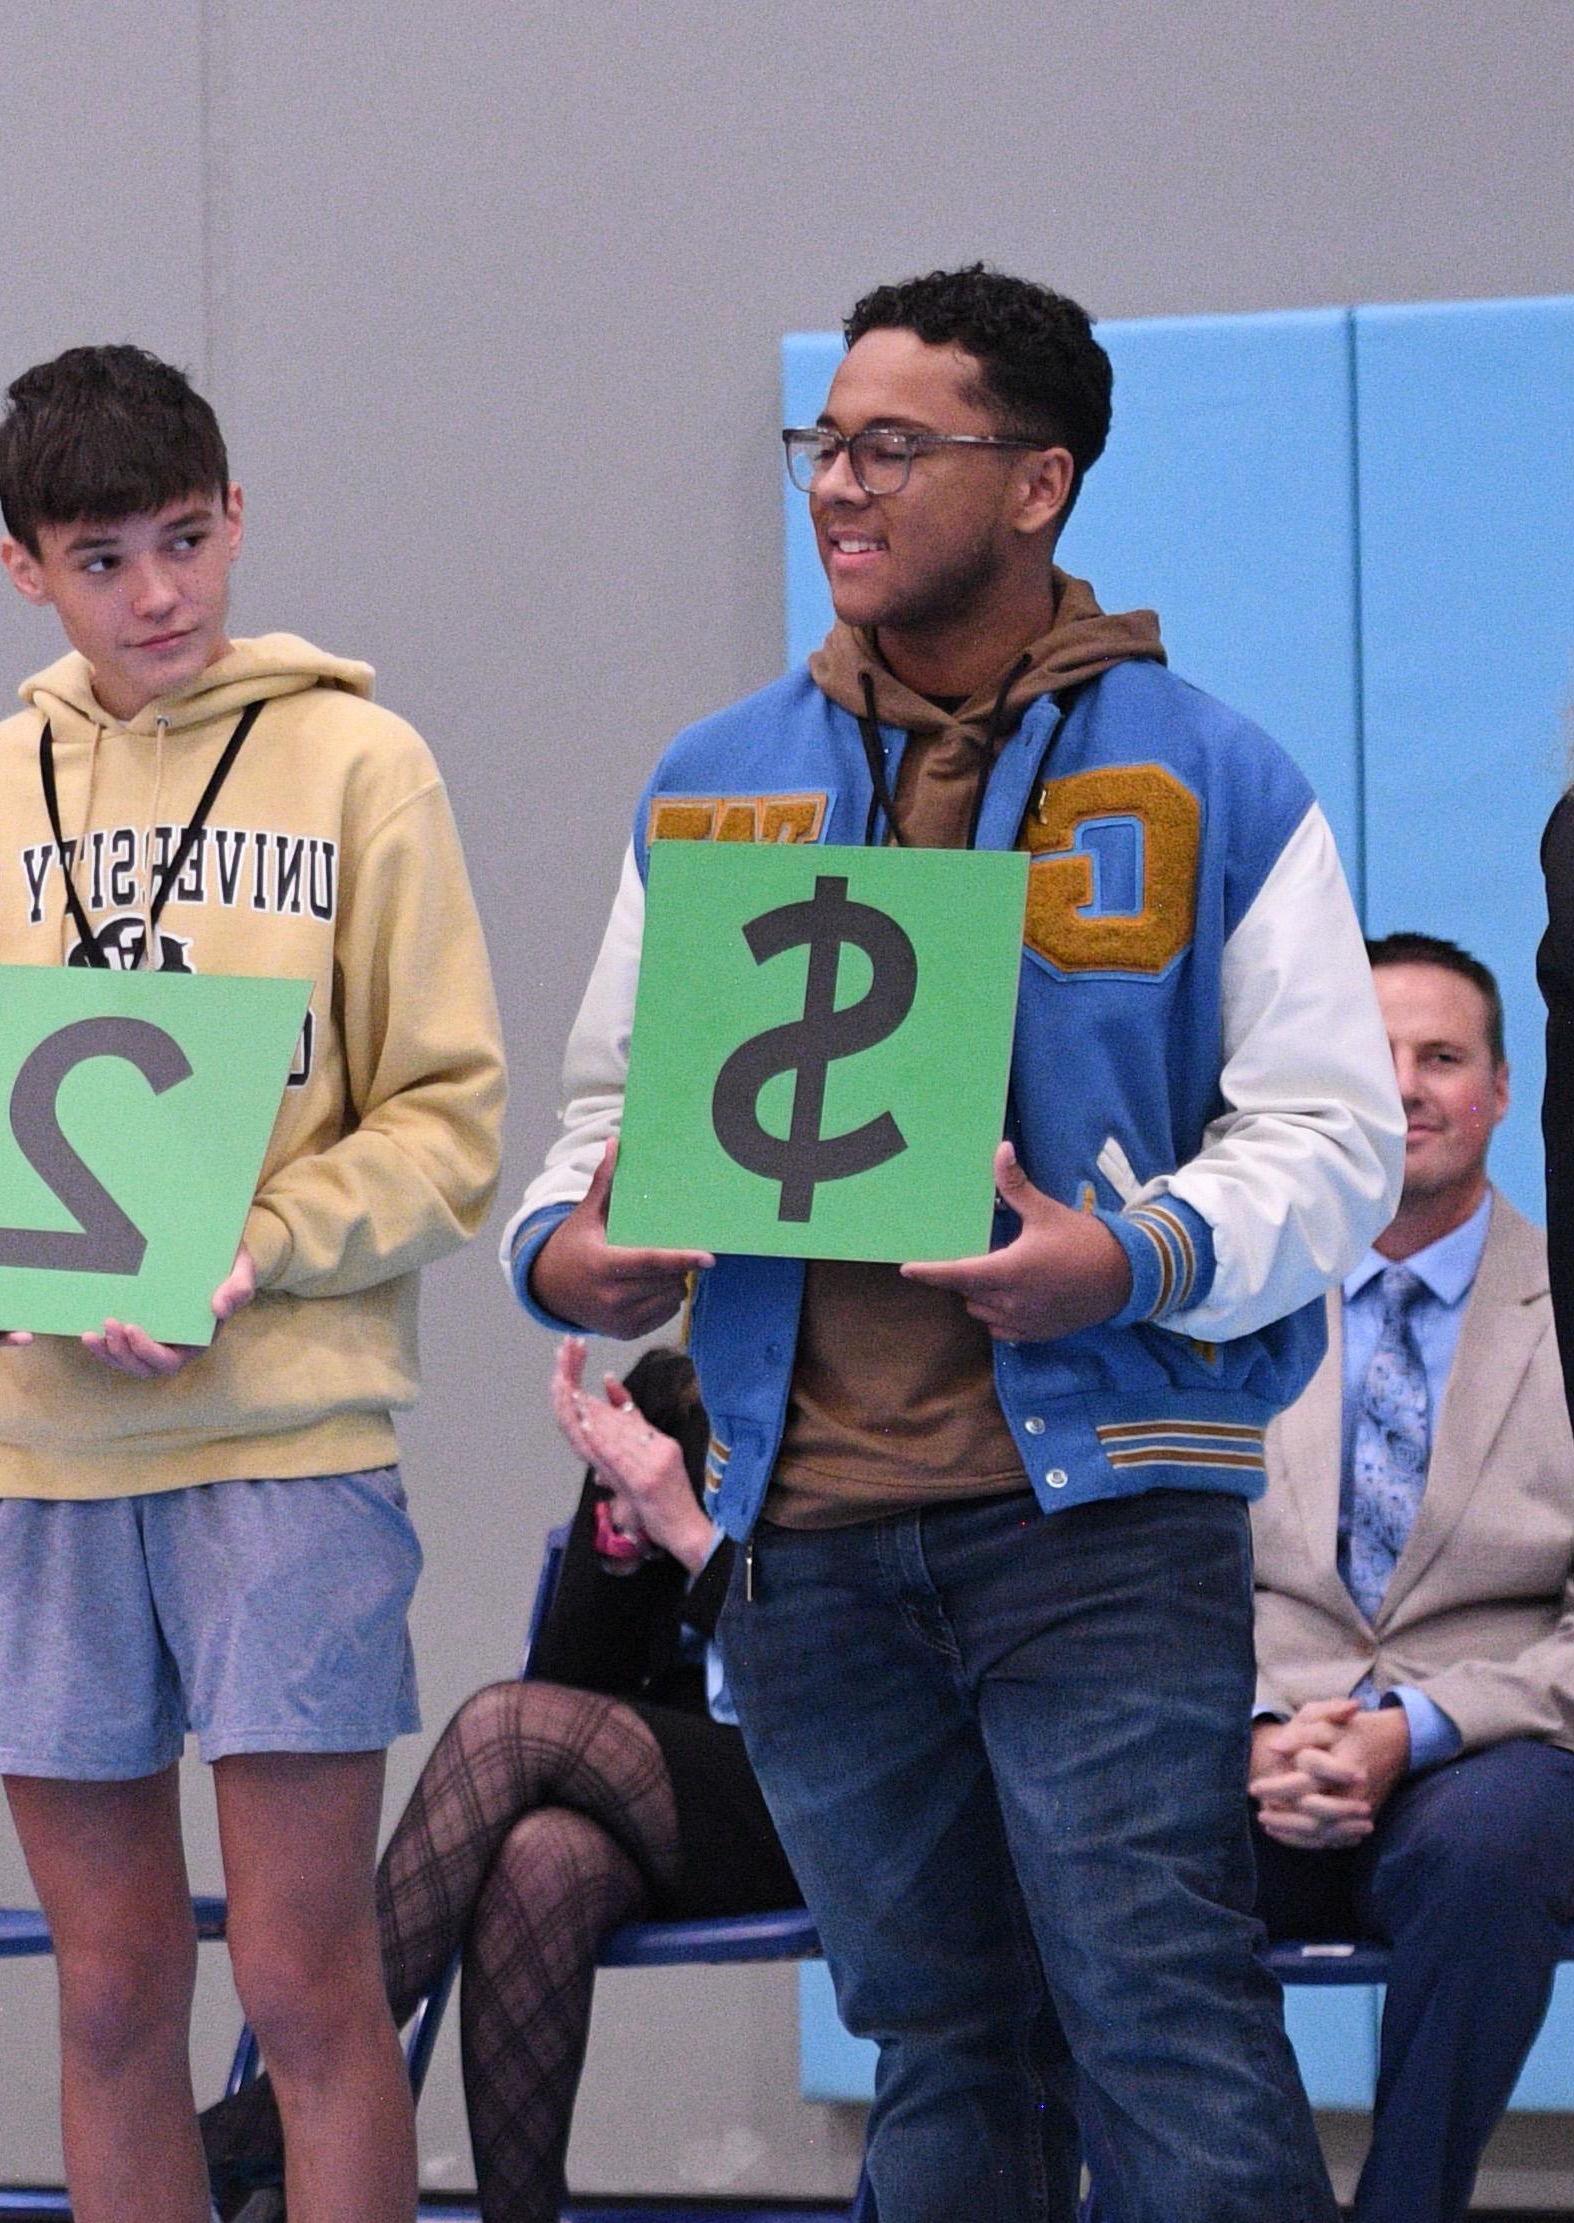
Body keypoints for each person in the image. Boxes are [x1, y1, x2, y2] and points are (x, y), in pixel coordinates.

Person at [505, 265, 1398, 2220]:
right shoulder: (712, 778)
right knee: (933, 2045)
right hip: (803, 1530)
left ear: (1035, 483)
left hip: (1092, 1522)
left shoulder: (1208, 770)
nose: (836, 483)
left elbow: (1332, 1133)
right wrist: (575, 1247)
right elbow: (595, 1115)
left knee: (1157, 2015)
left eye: (888, 445)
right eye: (822, 443)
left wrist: (1132, 1255)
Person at [0, 344, 501, 2223]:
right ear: (24, 571)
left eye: (188, 540)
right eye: (105, 556)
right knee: (114, 1985)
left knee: (308, 1978)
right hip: (34, 1456)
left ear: (239, 519)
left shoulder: (361, 761)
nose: (158, 594)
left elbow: (447, 1118)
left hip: (282, 1446)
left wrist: (253, 1251)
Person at [195, 1344, 798, 2223]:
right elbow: (573, 1683)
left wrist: (689, 1535)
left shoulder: (859, 1416)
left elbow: (838, 1675)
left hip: (842, 1794)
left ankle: (265, 2120)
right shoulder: (676, 1389)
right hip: (698, 1789)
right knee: (540, 1853)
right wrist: (621, 1540)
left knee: (502, 1726)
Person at [1247, 932, 1574, 2223]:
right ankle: (1247, 2197)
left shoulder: (1568, 1305)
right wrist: (1254, 1730)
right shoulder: (1237, 1299)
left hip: (1491, 1744)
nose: (1408, 1086)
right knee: (1116, 1848)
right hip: (1270, 1737)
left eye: (1442, 1056)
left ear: (1501, 1087)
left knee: (1495, 1850)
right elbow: (1158, 1579)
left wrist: (1413, 1728)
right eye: (1375, 1057)